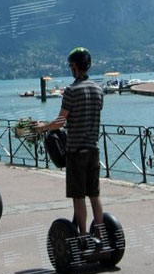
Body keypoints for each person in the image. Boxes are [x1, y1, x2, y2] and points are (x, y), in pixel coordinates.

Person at [35, 47, 104, 241]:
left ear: (76, 67)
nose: (70, 69)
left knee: (79, 196)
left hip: (76, 151)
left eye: (71, 65)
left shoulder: (71, 91)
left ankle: (82, 236)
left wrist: (43, 127)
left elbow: (61, 122)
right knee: (94, 195)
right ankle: (100, 234)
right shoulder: (99, 90)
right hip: (94, 149)